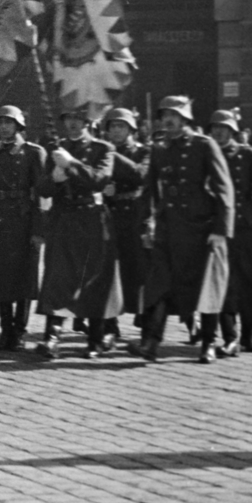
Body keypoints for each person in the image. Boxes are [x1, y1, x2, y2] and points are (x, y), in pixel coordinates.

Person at [132, 97, 233, 363]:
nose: (168, 119)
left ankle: (209, 342)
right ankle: (152, 342)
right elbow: (150, 190)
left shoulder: (204, 145)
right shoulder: (159, 148)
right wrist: (146, 223)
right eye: (164, 114)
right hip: (168, 228)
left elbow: (224, 189)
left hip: (200, 229)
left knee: (204, 287)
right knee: (160, 285)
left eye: (174, 115)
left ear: (185, 118)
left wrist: (221, 228)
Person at [36, 108, 122, 359]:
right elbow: (42, 189)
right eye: (68, 119)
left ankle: (95, 339)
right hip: (63, 219)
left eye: (78, 119)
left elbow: (99, 179)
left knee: (93, 279)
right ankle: (52, 337)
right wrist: (55, 176)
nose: (73, 124)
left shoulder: (103, 149)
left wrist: (71, 164)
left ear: (87, 122)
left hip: (92, 219)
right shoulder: (56, 147)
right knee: (58, 277)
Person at [206, 111, 252, 355]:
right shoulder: (206, 155)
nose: (219, 132)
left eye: (224, 127)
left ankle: (248, 334)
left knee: (250, 284)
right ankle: (230, 337)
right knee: (223, 284)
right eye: (215, 127)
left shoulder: (249, 155)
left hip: (248, 230)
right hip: (219, 230)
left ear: (233, 130)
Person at [0, 105, 44, 351]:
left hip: (23, 221)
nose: (5, 127)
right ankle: (5, 330)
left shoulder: (32, 153)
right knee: (1, 278)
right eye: (1, 123)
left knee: (23, 278)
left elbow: (41, 196)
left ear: (19, 125)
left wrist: (38, 230)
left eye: (9, 122)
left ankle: (19, 330)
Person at [103, 108, 149, 335]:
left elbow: (142, 174)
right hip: (111, 217)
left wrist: (114, 156)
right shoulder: (103, 152)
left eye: (121, 127)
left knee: (138, 271)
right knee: (112, 272)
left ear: (131, 129)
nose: (116, 131)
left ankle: (143, 318)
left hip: (135, 216)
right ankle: (111, 325)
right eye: (112, 127)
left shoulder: (143, 151)